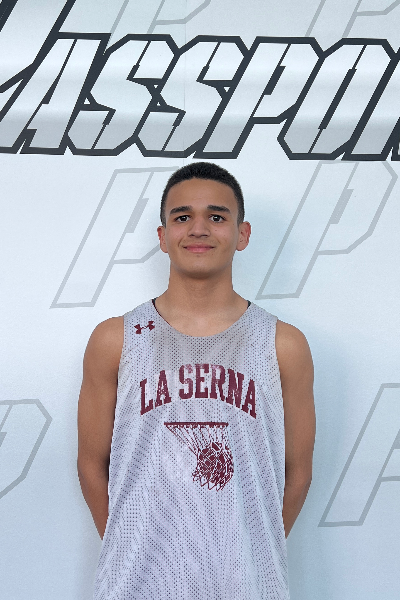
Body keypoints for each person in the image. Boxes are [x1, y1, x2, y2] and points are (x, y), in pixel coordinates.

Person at [77, 161, 316, 600]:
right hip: (138, 582)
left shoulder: (283, 344)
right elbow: (92, 465)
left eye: (217, 217)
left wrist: (256, 550)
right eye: (182, 216)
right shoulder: (116, 339)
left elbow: (298, 473)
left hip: (247, 583)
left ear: (242, 234)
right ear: (163, 235)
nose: (199, 229)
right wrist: (127, 545)